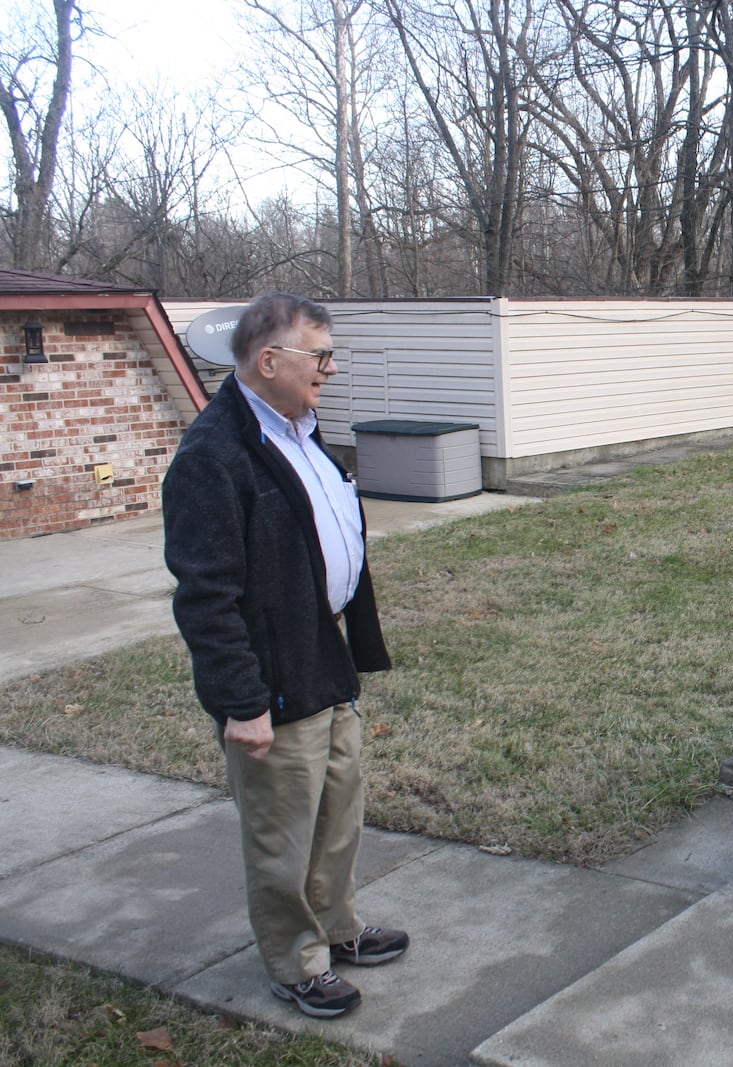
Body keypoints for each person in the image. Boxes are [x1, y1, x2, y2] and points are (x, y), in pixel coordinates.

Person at [163, 292, 408, 1019]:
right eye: (320, 356)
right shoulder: (213, 457)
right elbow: (205, 596)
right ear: (268, 361)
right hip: (269, 680)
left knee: (338, 811)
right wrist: (241, 702)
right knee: (282, 832)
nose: (330, 369)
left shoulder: (301, 429)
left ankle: (337, 927)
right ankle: (295, 960)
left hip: (322, 656)